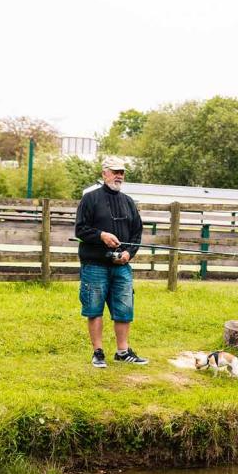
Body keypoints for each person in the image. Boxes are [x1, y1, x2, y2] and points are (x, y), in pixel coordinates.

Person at [74, 156, 147, 368]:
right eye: (115, 171)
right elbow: (80, 229)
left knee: (124, 308)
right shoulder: (90, 199)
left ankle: (123, 352)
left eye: (122, 172)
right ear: (104, 173)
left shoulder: (128, 202)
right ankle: (98, 352)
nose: (119, 175)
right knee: (94, 308)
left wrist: (128, 254)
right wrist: (101, 236)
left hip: (121, 266)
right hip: (94, 265)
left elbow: (137, 233)